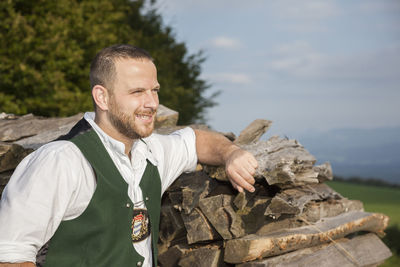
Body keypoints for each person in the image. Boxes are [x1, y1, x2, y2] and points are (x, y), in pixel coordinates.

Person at [0, 44, 258, 267]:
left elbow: (196, 140)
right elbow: (11, 255)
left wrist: (231, 153)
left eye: (154, 90)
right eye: (137, 92)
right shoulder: (60, 161)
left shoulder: (152, 151)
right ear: (102, 97)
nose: (152, 103)